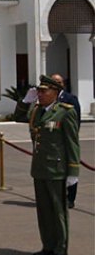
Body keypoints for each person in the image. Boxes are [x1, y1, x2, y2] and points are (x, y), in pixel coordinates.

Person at [14, 75, 79, 255]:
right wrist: (26, 100)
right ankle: (48, 245)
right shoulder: (36, 111)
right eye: (39, 91)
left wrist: (73, 172)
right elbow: (18, 116)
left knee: (58, 210)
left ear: (55, 93)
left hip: (57, 169)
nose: (40, 94)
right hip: (40, 168)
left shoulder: (65, 112)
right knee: (43, 210)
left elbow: (72, 143)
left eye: (44, 91)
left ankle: (61, 248)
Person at [51, 74, 81, 208]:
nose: (56, 84)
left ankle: (71, 198)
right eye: (54, 82)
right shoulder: (49, 98)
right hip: (53, 142)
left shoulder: (70, 99)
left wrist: (72, 137)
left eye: (58, 81)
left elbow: (76, 120)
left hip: (66, 139)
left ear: (63, 84)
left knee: (71, 169)